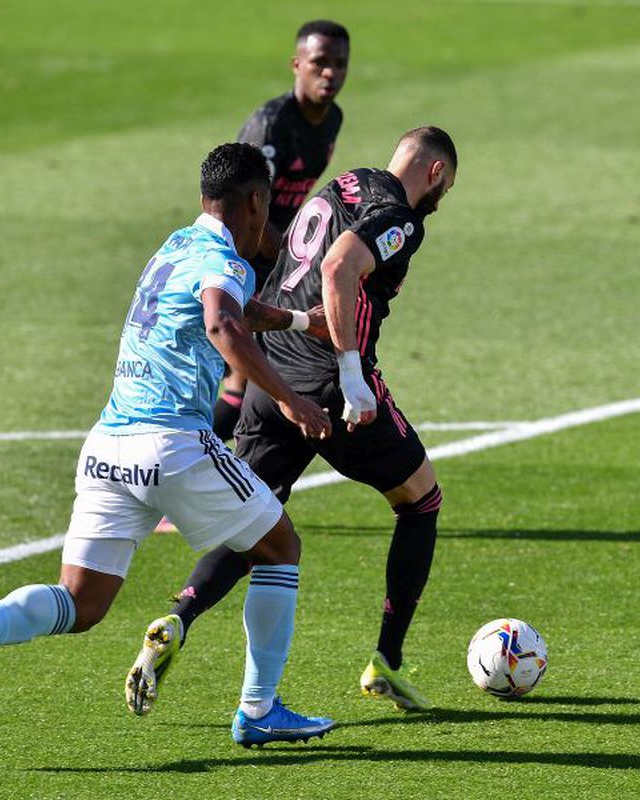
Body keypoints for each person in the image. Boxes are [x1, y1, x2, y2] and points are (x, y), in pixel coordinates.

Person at [0, 142, 337, 748]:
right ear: (254, 202)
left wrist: (300, 321)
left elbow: (228, 311)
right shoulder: (227, 261)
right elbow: (221, 321)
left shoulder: (174, 247)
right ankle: (259, 709)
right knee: (279, 547)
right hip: (172, 445)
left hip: (107, 446)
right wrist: (292, 400)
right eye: (264, 213)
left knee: (81, 604)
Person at [131, 127, 458, 713]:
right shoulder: (400, 216)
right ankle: (387, 660)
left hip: (272, 379)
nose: (440, 201)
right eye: (446, 188)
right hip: (331, 384)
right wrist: (352, 373)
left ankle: (177, 619)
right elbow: (337, 269)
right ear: (434, 174)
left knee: (253, 520)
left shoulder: (345, 186)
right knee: (421, 501)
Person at [211, 19, 350, 441]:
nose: (330, 73)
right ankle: (196, 471)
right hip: (244, 257)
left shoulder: (331, 119)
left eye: (340, 64)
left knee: (248, 375)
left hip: (277, 259)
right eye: (319, 62)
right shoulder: (271, 126)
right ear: (296, 64)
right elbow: (241, 208)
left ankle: (204, 473)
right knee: (238, 371)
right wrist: (295, 259)